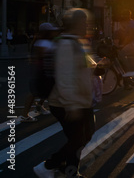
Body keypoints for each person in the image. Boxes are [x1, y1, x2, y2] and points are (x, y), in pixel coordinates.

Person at [34, 9, 95, 178]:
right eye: (83, 22)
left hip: (80, 101)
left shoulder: (77, 42)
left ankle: (68, 170)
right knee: (78, 139)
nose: (86, 25)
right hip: (65, 103)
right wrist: (72, 105)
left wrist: (97, 66)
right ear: (74, 24)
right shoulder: (66, 44)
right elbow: (65, 77)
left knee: (83, 136)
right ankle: (49, 166)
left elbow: (83, 64)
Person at [21, 23, 60, 122]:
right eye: (51, 31)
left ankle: (39, 106)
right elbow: (42, 58)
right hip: (42, 72)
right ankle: (24, 115)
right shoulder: (42, 43)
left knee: (45, 91)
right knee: (35, 92)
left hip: (45, 72)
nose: (53, 32)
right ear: (47, 32)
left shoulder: (45, 41)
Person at [114, 9, 134, 88]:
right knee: (132, 60)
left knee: (121, 54)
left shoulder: (129, 24)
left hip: (133, 43)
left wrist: (122, 45)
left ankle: (128, 71)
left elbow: (129, 37)